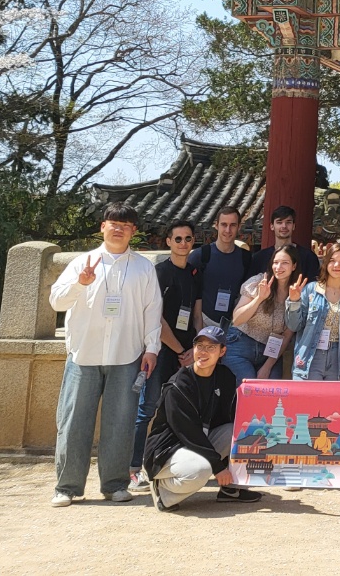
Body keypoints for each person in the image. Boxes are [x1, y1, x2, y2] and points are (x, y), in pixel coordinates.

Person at [48, 202, 161, 506]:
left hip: (126, 355)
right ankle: (67, 487)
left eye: (125, 225)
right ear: (103, 227)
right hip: (83, 354)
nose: (118, 229)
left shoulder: (143, 267)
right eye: (113, 223)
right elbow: (56, 301)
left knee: (120, 422)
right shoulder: (82, 262)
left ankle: (114, 484)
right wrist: (80, 283)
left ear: (133, 231)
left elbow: (152, 310)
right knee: (74, 422)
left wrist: (152, 348)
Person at [144, 325, 261, 510]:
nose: (203, 352)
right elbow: (188, 432)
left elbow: (227, 419)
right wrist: (218, 467)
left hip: (198, 441)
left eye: (211, 347)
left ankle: (231, 489)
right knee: (202, 470)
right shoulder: (178, 384)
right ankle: (163, 491)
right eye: (200, 346)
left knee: (243, 431)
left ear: (222, 351)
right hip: (169, 449)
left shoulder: (225, 377)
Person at [130, 220, 203, 491]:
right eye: (178, 239)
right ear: (168, 242)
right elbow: (156, 320)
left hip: (186, 354)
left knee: (179, 409)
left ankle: (167, 463)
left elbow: (196, 316)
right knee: (147, 408)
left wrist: (196, 349)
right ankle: (133, 468)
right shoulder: (159, 272)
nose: (183, 243)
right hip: (161, 351)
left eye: (188, 238)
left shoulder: (195, 273)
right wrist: (180, 350)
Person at [286, 241, 340, 382]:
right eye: (332, 260)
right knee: (307, 396)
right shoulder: (311, 290)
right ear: (325, 263)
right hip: (310, 355)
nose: (337, 265)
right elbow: (294, 326)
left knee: (333, 397)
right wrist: (294, 301)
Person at [225, 244, 298, 383]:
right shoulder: (259, 282)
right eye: (276, 262)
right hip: (241, 342)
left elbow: (287, 335)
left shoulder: (295, 292)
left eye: (285, 263)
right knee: (249, 388)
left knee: (270, 389)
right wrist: (259, 298)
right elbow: (237, 319)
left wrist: (267, 367)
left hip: (270, 351)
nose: (279, 267)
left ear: (293, 266)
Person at [196, 206, 252, 328]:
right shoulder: (201, 255)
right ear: (216, 225)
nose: (228, 230)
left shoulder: (246, 258)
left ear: (239, 227)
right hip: (204, 321)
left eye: (232, 225)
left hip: (234, 324)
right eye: (224, 224)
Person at [251, 205, 320, 282]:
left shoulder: (308, 257)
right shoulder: (259, 258)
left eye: (288, 222)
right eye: (279, 222)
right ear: (272, 226)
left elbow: (313, 286)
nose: (284, 226)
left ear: (293, 226)